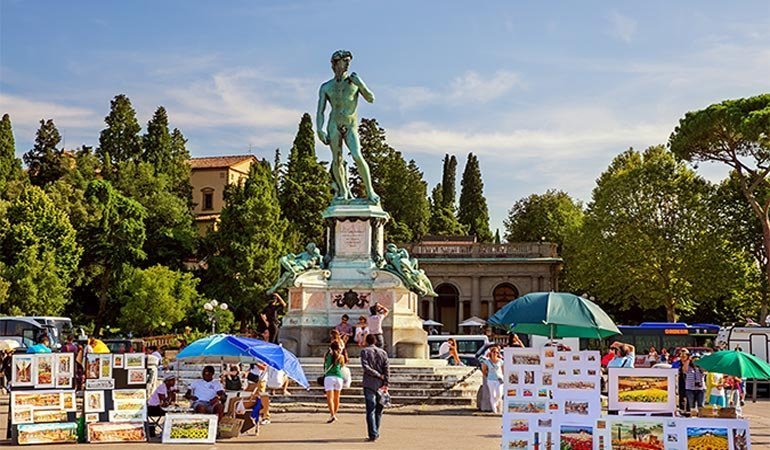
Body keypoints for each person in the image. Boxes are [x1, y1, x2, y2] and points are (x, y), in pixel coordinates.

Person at [316, 49, 378, 202]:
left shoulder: (354, 82)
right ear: (335, 63)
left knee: (357, 156)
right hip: (334, 124)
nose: (348, 64)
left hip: (350, 124)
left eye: (349, 61)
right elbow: (320, 111)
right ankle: (343, 191)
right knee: (337, 159)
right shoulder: (326, 87)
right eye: (345, 61)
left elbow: (371, 99)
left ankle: (370, 192)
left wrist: (361, 85)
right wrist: (319, 129)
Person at [360, 333, 389, 442]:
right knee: (378, 410)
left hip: (369, 383)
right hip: (380, 384)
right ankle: (375, 431)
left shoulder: (365, 351)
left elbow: (365, 367)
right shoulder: (383, 352)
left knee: (370, 409)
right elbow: (387, 369)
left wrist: (377, 374)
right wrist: (386, 382)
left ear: (367, 341)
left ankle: (373, 433)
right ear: (375, 341)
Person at [323, 341, 346, 423]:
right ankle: (334, 414)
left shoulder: (327, 355)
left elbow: (325, 364)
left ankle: (332, 414)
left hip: (329, 377)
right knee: (337, 398)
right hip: (338, 377)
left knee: (330, 398)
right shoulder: (341, 356)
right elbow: (342, 365)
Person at [478, 345, 504, 414]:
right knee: (492, 394)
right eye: (494, 352)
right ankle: (494, 409)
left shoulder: (500, 361)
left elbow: (503, 370)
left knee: (499, 393)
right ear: (491, 353)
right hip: (491, 379)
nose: (495, 353)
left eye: (496, 352)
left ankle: (497, 403)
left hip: (499, 379)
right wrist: (487, 376)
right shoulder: (487, 361)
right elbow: (484, 370)